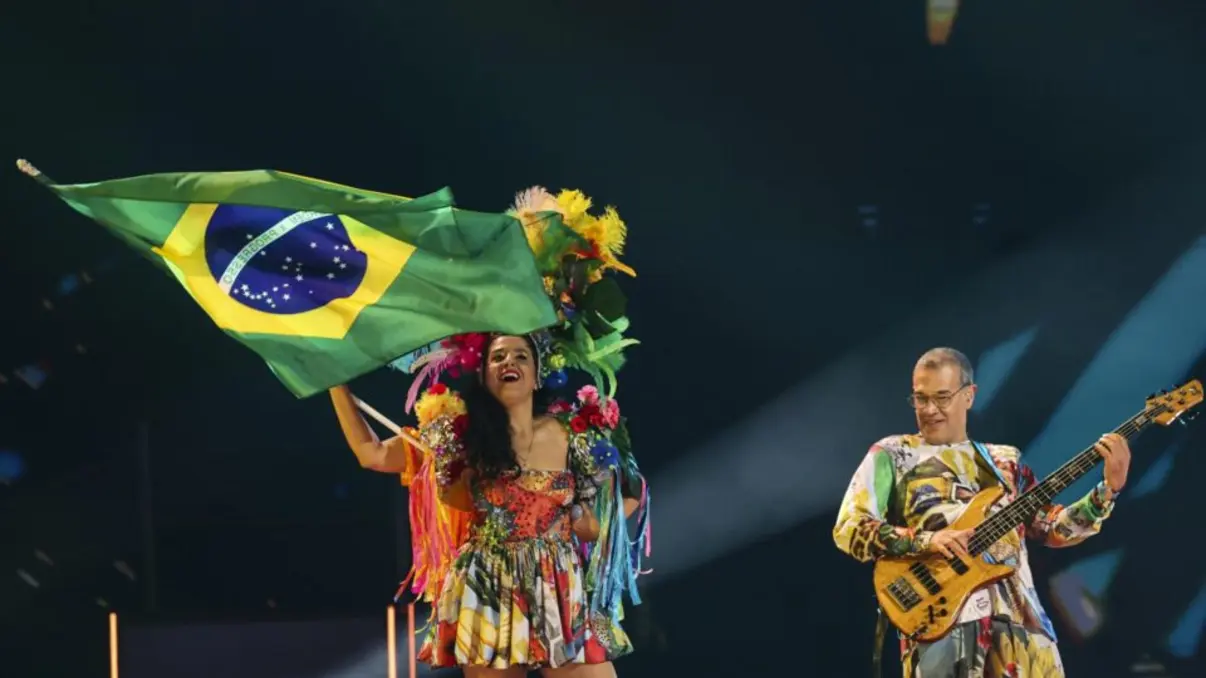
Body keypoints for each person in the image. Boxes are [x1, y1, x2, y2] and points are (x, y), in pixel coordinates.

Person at [331, 186, 651, 677]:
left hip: (560, 586)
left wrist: (578, 522)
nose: (509, 361)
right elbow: (371, 454)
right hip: (488, 588)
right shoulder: (455, 436)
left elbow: (619, 504)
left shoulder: (575, 432)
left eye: (521, 355)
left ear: (538, 371)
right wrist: (334, 379)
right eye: (498, 355)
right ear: (483, 373)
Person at [833, 347, 1132, 678]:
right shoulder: (893, 454)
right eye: (920, 398)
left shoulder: (1005, 461)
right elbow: (849, 528)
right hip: (943, 625)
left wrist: (1106, 492)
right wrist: (928, 540)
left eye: (942, 397)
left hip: (1024, 626)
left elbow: (1052, 529)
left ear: (969, 396)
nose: (930, 409)